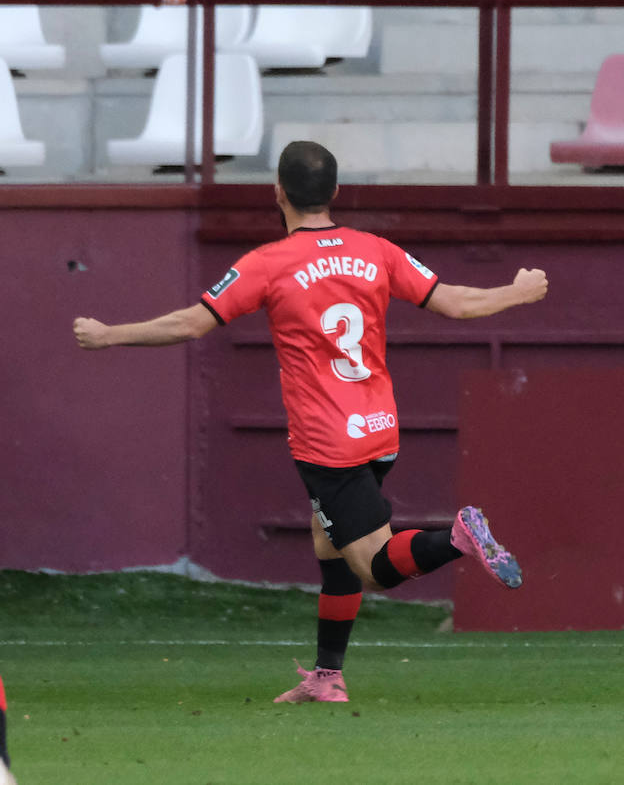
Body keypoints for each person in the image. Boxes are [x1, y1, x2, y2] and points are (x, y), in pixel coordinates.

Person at [73, 141, 549, 704]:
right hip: (379, 428)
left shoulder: (266, 264)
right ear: (335, 192)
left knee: (374, 568)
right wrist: (518, 292)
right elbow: (455, 303)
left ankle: (458, 536)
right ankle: (327, 676)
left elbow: (190, 324)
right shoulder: (375, 250)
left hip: (328, 444)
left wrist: (109, 335)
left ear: (278, 192)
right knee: (330, 543)